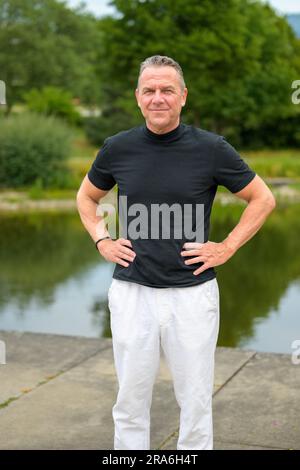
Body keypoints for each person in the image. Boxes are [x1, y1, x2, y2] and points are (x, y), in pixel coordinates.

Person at [76, 55, 276, 450]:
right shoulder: (118, 148)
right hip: (132, 292)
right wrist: (102, 239)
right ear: (137, 97)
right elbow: (86, 197)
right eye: (149, 90)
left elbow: (262, 199)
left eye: (167, 90)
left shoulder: (211, 149)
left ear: (183, 97)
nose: (158, 98)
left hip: (193, 294)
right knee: (130, 401)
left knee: (196, 400)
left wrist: (228, 246)